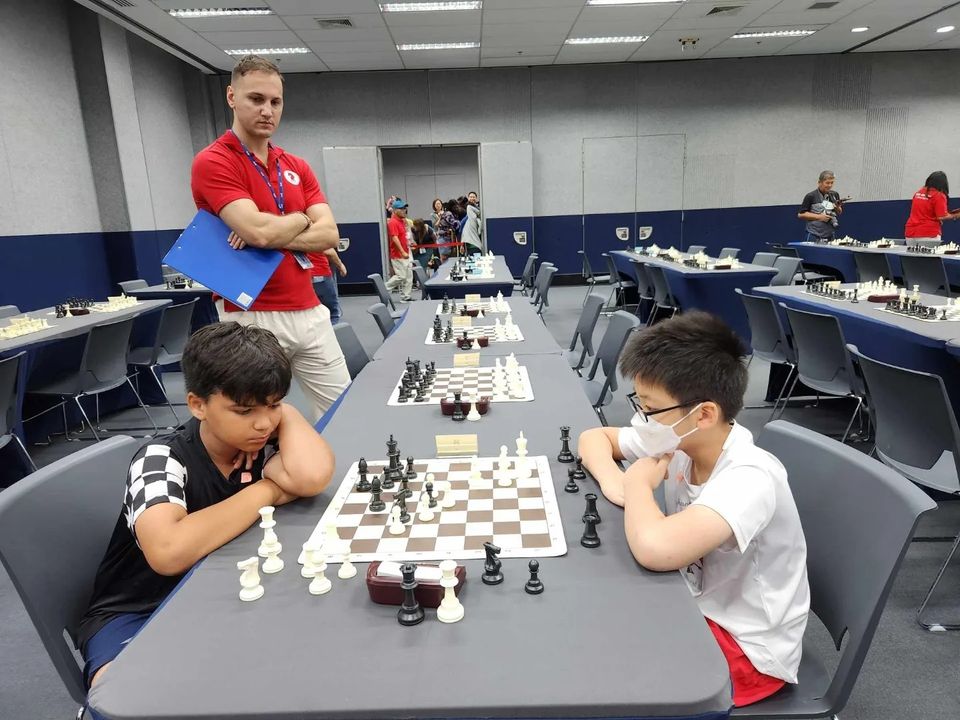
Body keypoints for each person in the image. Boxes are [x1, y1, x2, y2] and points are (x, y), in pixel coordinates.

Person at [78, 322, 334, 708]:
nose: (263, 423)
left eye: (274, 405)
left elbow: (311, 476)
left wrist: (288, 414)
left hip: (220, 595)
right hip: (139, 609)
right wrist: (266, 490)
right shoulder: (160, 459)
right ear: (198, 405)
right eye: (244, 410)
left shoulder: (260, 440)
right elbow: (168, 551)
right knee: (131, 698)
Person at [577, 312, 809, 708]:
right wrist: (613, 481)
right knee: (594, 623)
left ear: (703, 413)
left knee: (602, 670)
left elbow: (656, 549)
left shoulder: (750, 476)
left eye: (649, 408)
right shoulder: (681, 438)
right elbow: (593, 437)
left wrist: (634, 486)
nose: (639, 419)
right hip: (693, 603)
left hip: (745, 650)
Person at [191, 54, 349, 422]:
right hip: (250, 316)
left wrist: (271, 230)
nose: (267, 110)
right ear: (232, 97)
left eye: (275, 102)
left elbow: (330, 234)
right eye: (256, 99)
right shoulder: (215, 161)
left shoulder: (296, 166)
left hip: (308, 308)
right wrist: (297, 220)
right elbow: (259, 231)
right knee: (253, 421)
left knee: (343, 409)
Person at [905, 171, 959, 248]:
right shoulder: (939, 195)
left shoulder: (918, 193)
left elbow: (922, 212)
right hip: (928, 234)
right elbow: (942, 216)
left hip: (910, 234)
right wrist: (956, 215)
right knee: (928, 259)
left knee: (913, 259)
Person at [798, 170, 845, 241]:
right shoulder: (810, 196)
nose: (830, 185)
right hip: (814, 235)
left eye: (832, 183)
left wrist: (837, 207)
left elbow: (839, 212)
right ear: (819, 182)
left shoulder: (835, 194)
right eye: (827, 183)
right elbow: (800, 215)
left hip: (830, 236)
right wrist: (819, 217)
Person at [308, 247, 347, 325]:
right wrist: (340, 265)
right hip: (320, 274)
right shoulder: (318, 236)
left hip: (303, 277)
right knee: (332, 313)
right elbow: (329, 252)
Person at [385, 198, 413, 301]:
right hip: (398, 255)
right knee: (401, 276)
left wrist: (410, 243)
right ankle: (384, 288)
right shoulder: (392, 222)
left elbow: (404, 236)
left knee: (409, 276)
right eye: (401, 208)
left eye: (404, 208)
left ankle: (406, 297)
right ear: (395, 210)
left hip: (405, 253)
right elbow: (394, 238)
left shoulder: (402, 221)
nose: (404, 210)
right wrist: (402, 251)